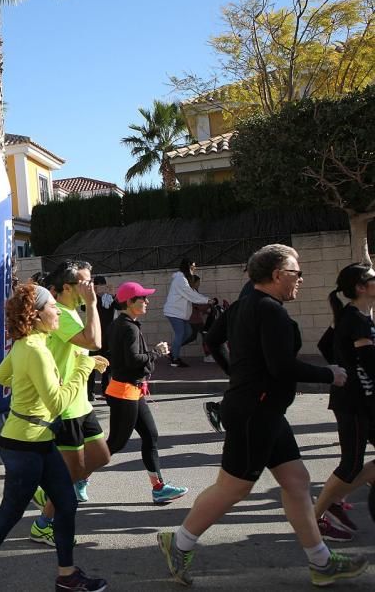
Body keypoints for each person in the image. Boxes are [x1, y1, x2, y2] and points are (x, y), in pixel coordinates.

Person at [157, 244, 366, 587]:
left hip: (263, 409)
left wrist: (237, 376)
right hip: (256, 411)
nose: (300, 280)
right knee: (233, 489)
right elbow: (281, 367)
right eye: (296, 274)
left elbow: (213, 337)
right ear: (277, 275)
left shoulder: (243, 305)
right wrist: (331, 374)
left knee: (297, 483)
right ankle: (177, 543)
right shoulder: (271, 311)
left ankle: (321, 562)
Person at [0, 283, 108, 592]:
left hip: (38, 440)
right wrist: (84, 367)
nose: (57, 312)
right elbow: (57, 404)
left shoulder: (26, 344)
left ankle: (67, 576)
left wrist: (29, 381)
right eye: (53, 307)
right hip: (23, 446)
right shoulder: (35, 349)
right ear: (37, 315)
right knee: (10, 512)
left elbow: (1, 376)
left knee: (66, 503)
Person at [30, 261, 109, 547]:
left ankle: (42, 487)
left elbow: (78, 349)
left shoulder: (70, 312)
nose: (91, 287)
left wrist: (87, 362)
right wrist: (93, 306)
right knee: (73, 472)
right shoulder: (60, 314)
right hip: (65, 405)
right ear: (67, 288)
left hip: (81, 403)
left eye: (90, 283)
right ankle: (43, 524)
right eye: (85, 283)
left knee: (101, 457)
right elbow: (94, 340)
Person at [105, 281, 188, 504]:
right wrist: (156, 353)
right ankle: (74, 479)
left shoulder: (119, 324)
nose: (147, 301)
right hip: (125, 393)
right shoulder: (129, 327)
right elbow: (132, 360)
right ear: (130, 302)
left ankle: (159, 488)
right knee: (115, 444)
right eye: (143, 298)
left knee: (150, 436)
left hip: (130, 391)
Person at [312, 263, 375, 541]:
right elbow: (373, 366)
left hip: (359, 399)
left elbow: (326, 345)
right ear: (361, 288)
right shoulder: (356, 320)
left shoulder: (350, 315)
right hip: (354, 403)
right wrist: (346, 374)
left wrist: (342, 368)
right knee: (351, 463)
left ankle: (336, 499)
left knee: (354, 463)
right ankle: (314, 518)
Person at [163, 258, 211, 368]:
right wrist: (207, 300)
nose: (195, 268)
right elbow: (190, 294)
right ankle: (175, 359)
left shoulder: (184, 278)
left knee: (188, 333)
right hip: (174, 312)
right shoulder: (180, 279)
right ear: (188, 266)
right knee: (180, 334)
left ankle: (172, 352)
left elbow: (192, 292)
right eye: (193, 266)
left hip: (180, 313)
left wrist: (206, 300)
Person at [92, 276, 116, 398]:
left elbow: (119, 306)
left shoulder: (110, 298)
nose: (101, 288)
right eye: (98, 285)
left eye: (103, 285)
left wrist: (112, 293)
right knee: (91, 364)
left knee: (107, 363)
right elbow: (84, 307)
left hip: (108, 335)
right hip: (95, 335)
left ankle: (106, 390)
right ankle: (90, 392)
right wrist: (93, 292)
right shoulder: (92, 299)